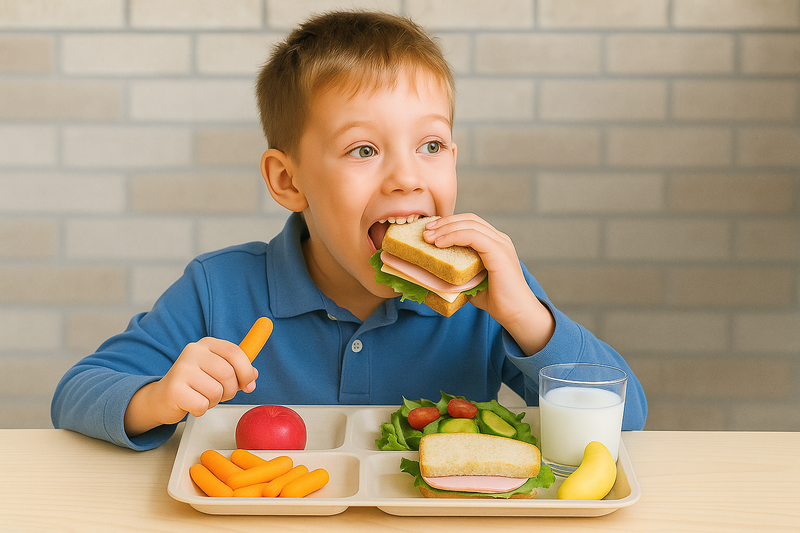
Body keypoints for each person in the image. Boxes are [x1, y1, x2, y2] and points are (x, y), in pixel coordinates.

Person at [51, 10, 647, 450]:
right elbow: (76, 393)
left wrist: (530, 321)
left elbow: (629, 419)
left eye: (431, 145)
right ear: (288, 181)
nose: (406, 177)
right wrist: (155, 399)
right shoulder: (220, 288)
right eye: (363, 149)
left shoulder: (488, 296)